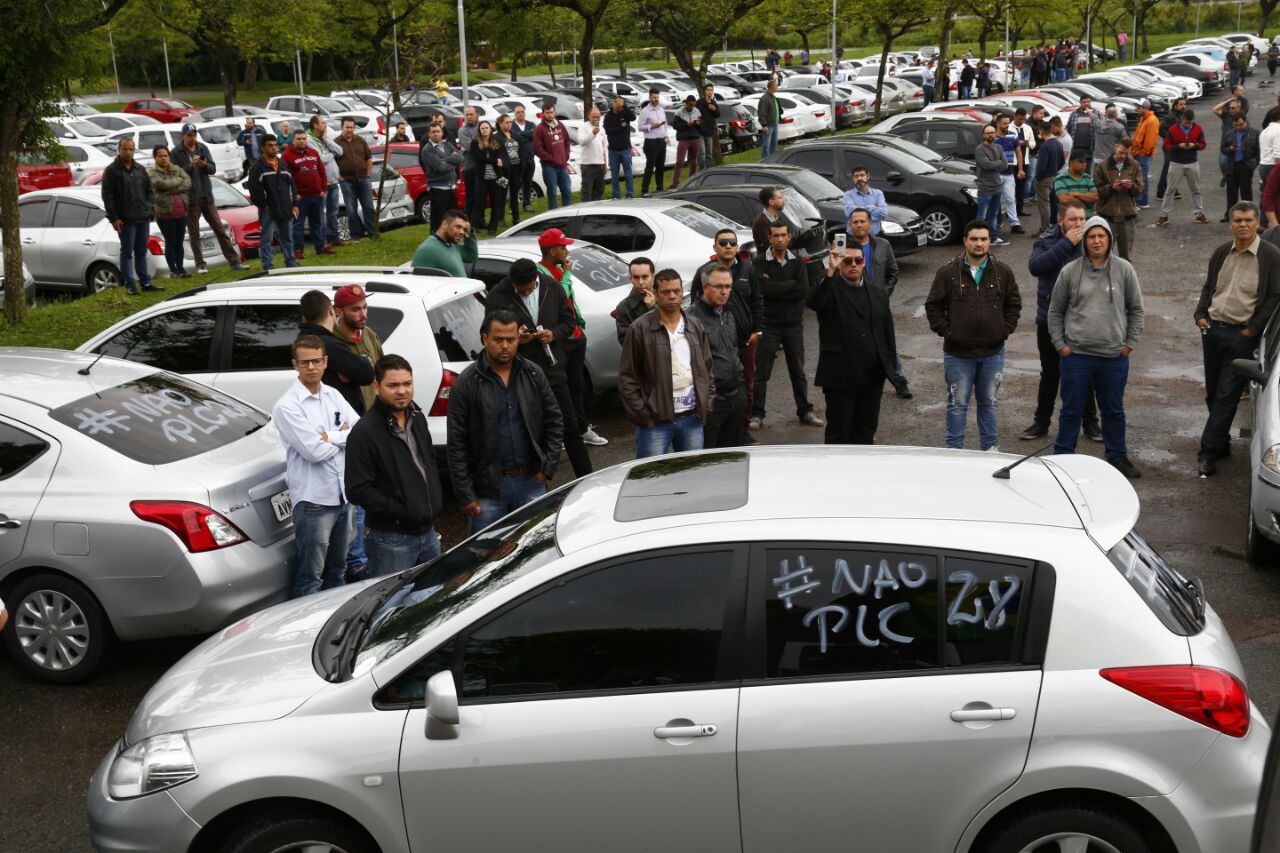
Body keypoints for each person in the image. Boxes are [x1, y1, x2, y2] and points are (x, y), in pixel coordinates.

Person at [449, 310, 564, 534]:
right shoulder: (465, 384)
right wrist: (466, 494)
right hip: (489, 491)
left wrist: (546, 469)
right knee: (486, 559)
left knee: (536, 551)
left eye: (511, 340)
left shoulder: (533, 373)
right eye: (498, 339)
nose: (505, 346)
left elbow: (555, 420)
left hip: (531, 482)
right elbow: (457, 444)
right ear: (485, 339)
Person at [1048, 216, 1145, 479]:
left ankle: (1117, 456)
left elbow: (1136, 309)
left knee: (1113, 410)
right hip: (1076, 356)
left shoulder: (1124, 269)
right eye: (1092, 236)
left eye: (1102, 236)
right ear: (1085, 240)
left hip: (1113, 357)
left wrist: (1129, 345)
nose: (1097, 240)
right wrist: (1061, 345)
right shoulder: (1069, 271)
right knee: (1071, 410)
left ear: (1109, 239)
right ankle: (1063, 458)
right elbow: (1055, 311)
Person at [485, 257, 595, 477]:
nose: (525, 293)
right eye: (520, 290)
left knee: (569, 427)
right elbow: (487, 333)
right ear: (512, 282)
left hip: (553, 369)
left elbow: (568, 322)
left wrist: (553, 334)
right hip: (519, 373)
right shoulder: (498, 295)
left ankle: (586, 478)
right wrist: (516, 338)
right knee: (531, 430)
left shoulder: (551, 286)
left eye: (528, 289)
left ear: (536, 278)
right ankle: (537, 483)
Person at [1195, 202, 1280, 477]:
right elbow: (1210, 286)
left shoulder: (1270, 256)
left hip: (1241, 337)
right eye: (1238, 221)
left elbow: (1274, 297)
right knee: (1212, 393)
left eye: (1248, 220)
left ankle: (1207, 453)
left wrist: (1251, 330)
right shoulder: (1222, 252)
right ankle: (1220, 443)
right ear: (1231, 224)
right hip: (1213, 331)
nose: (1243, 225)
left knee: (1226, 396)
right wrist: (1200, 315)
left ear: (1258, 224)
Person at [925, 219, 1022, 452]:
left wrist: (1004, 330)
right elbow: (933, 306)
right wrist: (949, 332)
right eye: (974, 239)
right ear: (965, 241)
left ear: (990, 242)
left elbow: (1014, 304)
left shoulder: (1003, 272)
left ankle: (990, 450)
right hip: (958, 354)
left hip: (993, 353)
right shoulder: (947, 273)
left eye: (984, 239)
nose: (979, 243)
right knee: (957, 404)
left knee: (988, 403)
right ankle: (954, 451)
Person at [273, 334, 359, 596]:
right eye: (305, 362)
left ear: (326, 362)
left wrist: (330, 436)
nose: (311, 367)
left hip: (343, 495)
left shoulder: (333, 395)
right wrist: (343, 438)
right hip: (314, 502)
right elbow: (314, 451)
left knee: (338, 569)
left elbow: (360, 433)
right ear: (294, 364)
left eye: (316, 361)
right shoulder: (287, 407)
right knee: (312, 576)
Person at [344, 354, 445, 575]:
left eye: (407, 384)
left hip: (428, 531)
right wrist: (401, 511)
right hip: (391, 539)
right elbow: (356, 489)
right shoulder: (364, 433)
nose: (402, 391)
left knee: (433, 599)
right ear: (377, 387)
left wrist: (432, 500)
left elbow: (429, 461)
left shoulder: (417, 417)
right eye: (393, 385)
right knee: (392, 605)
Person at [1023, 200, 1101, 442]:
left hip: (1081, 322)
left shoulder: (1091, 243)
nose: (1079, 224)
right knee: (1050, 375)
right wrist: (1067, 243)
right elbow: (1036, 267)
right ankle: (1041, 423)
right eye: (1073, 219)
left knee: (1084, 374)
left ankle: (1091, 424)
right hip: (1049, 321)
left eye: (1081, 219)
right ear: (1061, 222)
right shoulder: (1046, 241)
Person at [808, 240, 897, 445]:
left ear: (864, 262)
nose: (853, 265)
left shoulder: (876, 292)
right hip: (841, 376)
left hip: (872, 377)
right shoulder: (830, 288)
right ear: (839, 262)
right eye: (847, 261)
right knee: (840, 432)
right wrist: (829, 270)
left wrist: (890, 368)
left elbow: (887, 332)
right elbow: (814, 301)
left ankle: (863, 474)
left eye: (858, 260)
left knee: (866, 430)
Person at [618, 269, 715, 458]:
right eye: (665, 292)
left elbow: (707, 368)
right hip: (655, 422)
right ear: (655, 294)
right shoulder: (638, 329)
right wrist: (643, 417)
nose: (672, 296)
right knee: (651, 478)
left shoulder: (695, 325)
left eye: (676, 291)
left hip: (692, 418)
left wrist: (706, 404)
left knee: (691, 475)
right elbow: (627, 378)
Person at [693, 230, 765, 443]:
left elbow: (757, 299)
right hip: (714, 390)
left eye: (732, 242)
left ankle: (743, 430)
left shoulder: (747, 269)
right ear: (715, 246)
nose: (728, 245)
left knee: (746, 386)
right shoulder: (703, 274)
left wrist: (758, 329)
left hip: (744, 342)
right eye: (723, 242)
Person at [536, 228, 605, 447]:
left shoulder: (558, 268)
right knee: (561, 389)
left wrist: (579, 324)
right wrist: (567, 275)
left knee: (578, 387)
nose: (566, 250)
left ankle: (581, 429)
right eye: (563, 246)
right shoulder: (541, 273)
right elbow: (560, 296)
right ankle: (565, 433)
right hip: (559, 339)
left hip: (575, 335)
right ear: (552, 250)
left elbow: (570, 301)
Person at [752, 220, 824, 430]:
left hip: (794, 325)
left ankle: (805, 411)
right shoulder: (759, 262)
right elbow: (763, 290)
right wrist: (788, 285)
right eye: (776, 236)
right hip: (769, 325)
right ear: (770, 238)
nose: (780, 239)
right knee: (762, 373)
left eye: (784, 235)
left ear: (789, 237)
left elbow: (803, 290)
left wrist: (776, 287)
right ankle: (757, 414)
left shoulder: (798, 262)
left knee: (798, 371)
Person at [847, 208, 909, 398]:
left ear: (870, 224)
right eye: (855, 222)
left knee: (887, 344)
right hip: (854, 307)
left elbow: (893, 272)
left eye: (862, 221)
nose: (859, 225)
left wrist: (883, 295)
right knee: (855, 345)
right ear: (850, 226)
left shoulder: (883, 245)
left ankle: (899, 381)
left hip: (879, 306)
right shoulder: (845, 247)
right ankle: (857, 383)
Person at [171, 123, 244, 273]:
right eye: (189, 135)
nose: (193, 138)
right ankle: (200, 264)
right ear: (183, 136)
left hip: (206, 196)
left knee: (219, 229)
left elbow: (213, 168)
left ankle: (234, 262)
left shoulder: (202, 147)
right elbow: (176, 174)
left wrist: (204, 164)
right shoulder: (176, 152)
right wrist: (191, 165)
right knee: (194, 233)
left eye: (194, 134)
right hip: (191, 198)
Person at [689, 266, 747, 449]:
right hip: (711, 402)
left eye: (728, 286)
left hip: (736, 396)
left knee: (733, 455)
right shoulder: (691, 319)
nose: (725, 292)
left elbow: (734, 349)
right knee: (709, 460)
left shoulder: (728, 313)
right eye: (719, 286)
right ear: (705, 287)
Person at [101, 138, 159, 295]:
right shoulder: (112, 171)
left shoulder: (140, 169)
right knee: (127, 253)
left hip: (143, 217)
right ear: (119, 150)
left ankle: (145, 282)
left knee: (141, 251)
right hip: (125, 220)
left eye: (131, 149)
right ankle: (130, 285)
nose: (128, 152)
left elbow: (149, 191)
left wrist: (149, 208)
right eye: (125, 149)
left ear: (134, 150)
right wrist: (113, 218)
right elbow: (108, 196)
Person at [245, 136, 297, 272]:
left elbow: (292, 185)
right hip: (268, 209)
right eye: (270, 145)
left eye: (275, 145)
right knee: (266, 239)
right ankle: (268, 265)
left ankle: (290, 262)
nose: (274, 147)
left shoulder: (284, 164)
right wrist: (265, 206)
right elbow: (254, 191)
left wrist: (294, 204)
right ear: (263, 148)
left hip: (285, 207)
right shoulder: (257, 168)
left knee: (288, 237)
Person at [283, 129, 332, 261]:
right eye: (299, 139)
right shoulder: (287, 156)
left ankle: (320, 247)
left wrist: (323, 189)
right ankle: (298, 250)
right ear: (293, 140)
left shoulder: (313, 152)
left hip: (317, 195)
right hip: (301, 197)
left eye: (304, 138)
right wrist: (295, 194)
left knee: (317, 223)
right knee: (298, 225)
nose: (302, 141)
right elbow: (286, 178)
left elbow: (321, 172)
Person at [1093, 138, 1143, 261]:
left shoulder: (1134, 165)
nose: (1123, 156)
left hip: (1128, 217)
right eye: (1121, 152)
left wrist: (1132, 186)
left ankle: (1124, 280)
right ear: (1116, 147)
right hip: (1107, 217)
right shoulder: (1102, 166)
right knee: (1103, 256)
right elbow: (1096, 192)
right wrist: (1111, 188)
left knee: (1126, 258)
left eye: (1127, 153)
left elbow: (1140, 189)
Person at [1157, 109, 1209, 227]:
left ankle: (1199, 214)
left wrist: (1194, 145)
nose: (1188, 125)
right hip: (1176, 163)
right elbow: (1166, 146)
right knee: (1170, 190)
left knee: (1196, 190)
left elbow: (1203, 144)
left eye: (1190, 123)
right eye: (1186, 122)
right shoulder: (1172, 129)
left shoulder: (1198, 128)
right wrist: (1178, 146)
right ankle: (1163, 215)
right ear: (1182, 119)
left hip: (1192, 162)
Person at [148, 144, 192, 279]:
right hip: (165, 213)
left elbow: (188, 182)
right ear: (155, 157)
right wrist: (178, 182)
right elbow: (161, 185)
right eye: (160, 156)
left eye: (165, 156)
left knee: (179, 241)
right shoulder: (153, 173)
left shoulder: (176, 169)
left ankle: (181, 269)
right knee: (171, 241)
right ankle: (173, 270)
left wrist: (172, 189)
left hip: (182, 212)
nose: (163, 158)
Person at [336, 118, 377, 241]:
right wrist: (340, 178)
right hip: (346, 181)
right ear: (342, 127)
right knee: (351, 209)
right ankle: (356, 235)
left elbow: (368, 158)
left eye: (351, 127)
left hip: (363, 179)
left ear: (354, 128)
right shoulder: (336, 143)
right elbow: (332, 163)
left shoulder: (360, 141)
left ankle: (372, 233)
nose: (349, 130)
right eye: (347, 127)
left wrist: (368, 175)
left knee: (369, 207)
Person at [305, 116, 344, 247]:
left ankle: (334, 238)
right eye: (323, 123)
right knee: (320, 214)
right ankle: (322, 241)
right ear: (315, 125)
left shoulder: (324, 139)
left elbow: (340, 151)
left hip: (333, 181)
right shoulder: (309, 140)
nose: (325, 125)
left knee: (333, 212)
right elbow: (320, 159)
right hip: (322, 183)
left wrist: (327, 141)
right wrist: (332, 153)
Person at [418, 122, 464, 232]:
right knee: (438, 221)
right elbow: (441, 167)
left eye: (438, 131)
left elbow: (461, 158)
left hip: (451, 187)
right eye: (433, 132)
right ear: (429, 134)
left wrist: (445, 159)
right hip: (438, 189)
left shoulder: (448, 145)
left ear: (442, 132)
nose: (436, 134)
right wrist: (452, 161)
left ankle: (449, 241)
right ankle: (435, 243)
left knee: (452, 220)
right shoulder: (427, 150)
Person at [409, 209, 478, 276]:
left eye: (464, 229)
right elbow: (418, 283)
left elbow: (471, 256)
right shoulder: (427, 250)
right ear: (444, 224)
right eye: (458, 227)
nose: (462, 232)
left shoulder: (452, 245)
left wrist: (470, 231)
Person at [469, 120, 506, 233]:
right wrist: (494, 161)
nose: (485, 130)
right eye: (482, 128)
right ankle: (473, 227)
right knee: (479, 204)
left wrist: (496, 162)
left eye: (487, 128)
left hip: (495, 178)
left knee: (495, 203)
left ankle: (492, 227)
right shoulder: (475, 143)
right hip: (482, 179)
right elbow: (479, 159)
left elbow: (500, 158)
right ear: (479, 130)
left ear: (490, 129)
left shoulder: (495, 142)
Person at [534, 102, 572, 209]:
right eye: (547, 112)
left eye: (552, 112)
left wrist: (566, 155)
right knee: (552, 192)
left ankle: (567, 213)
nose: (550, 115)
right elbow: (537, 149)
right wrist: (552, 159)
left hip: (562, 165)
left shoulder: (560, 125)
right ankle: (553, 216)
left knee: (567, 190)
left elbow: (567, 142)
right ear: (543, 113)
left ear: (554, 112)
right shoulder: (539, 129)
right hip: (549, 167)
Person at [1223, 113, 1261, 221]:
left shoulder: (1254, 133)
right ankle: (1229, 215)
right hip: (1232, 165)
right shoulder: (1229, 133)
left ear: (1246, 121)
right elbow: (1223, 149)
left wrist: (1254, 164)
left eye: (1241, 124)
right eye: (1236, 125)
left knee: (1246, 191)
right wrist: (1229, 149)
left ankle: (1249, 214)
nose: (1239, 127)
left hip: (1246, 165)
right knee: (1231, 191)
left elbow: (1259, 150)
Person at [975, 124, 1008, 246]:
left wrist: (995, 163)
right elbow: (985, 165)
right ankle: (978, 238)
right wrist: (998, 162)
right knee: (981, 215)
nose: (991, 135)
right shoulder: (979, 149)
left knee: (993, 214)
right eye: (988, 133)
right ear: (984, 135)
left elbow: (1005, 165)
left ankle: (993, 238)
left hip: (997, 187)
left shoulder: (999, 147)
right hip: (985, 187)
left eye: (992, 132)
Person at [994, 113, 1026, 235]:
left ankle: (1015, 224)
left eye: (1008, 123)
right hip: (996, 175)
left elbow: (1018, 153)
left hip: (1009, 174)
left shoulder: (1013, 136)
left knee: (1010, 199)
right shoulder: (993, 138)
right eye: (1005, 123)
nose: (1008, 125)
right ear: (998, 124)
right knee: (997, 201)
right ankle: (997, 225)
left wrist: (1021, 169)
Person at [615, 257, 656, 343]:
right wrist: (652, 311)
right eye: (636, 277)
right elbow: (626, 342)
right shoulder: (623, 308)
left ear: (653, 277)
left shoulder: (665, 296)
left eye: (645, 277)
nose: (640, 282)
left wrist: (654, 308)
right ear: (631, 279)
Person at [1034, 121, 1066, 234]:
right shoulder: (1058, 143)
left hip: (1044, 179)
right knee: (1053, 202)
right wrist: (1055, 169)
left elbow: (1042, 166)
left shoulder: (1045, 146)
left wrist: (1038, 177)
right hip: (1054, 176)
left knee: (1044, 204)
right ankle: (1051, 225)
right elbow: (1062, 161)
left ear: (1042, 131)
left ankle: (1045, 228)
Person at [603, 95, 637, 199]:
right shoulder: (608, 116)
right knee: (614, 175)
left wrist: (625, 106)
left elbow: (633, 117)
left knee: (628, 174)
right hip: (613, 150)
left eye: (620, 103)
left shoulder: (625, 113)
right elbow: (608, 131)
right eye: (616, 103)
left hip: (625, 148)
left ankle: (630, 194)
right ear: (613, 103)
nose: (618, 105)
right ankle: (616, 195)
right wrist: (620, 128)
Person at [1155, 97, 1189, 201]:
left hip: (1178, 147)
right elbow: (1160, 129)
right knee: (1169, 168)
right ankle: (1161, 192)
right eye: (1181, 104)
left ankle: (1171, 190)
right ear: (1175, 106)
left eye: (1184, 104)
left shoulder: (1181, 116)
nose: (1183, 106)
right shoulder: (1170, 116)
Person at [840, 165, 888, 235]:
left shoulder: (878, 193)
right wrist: (872, 208)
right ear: (853, 179)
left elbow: (883, 213)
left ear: (867, 176)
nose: (859, 178)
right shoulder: (848, 194)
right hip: (854, 237)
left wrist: (856, 210)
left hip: (874, 236)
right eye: (856, 176)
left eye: (862, 175)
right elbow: (848, 212)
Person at [495, 114, 524, 226]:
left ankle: (516, 218)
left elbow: (521, 150)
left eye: (510, 122)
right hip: (503, 171)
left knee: (514, 193)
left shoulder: (516, 135)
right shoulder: (496, 137)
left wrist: (522, 165)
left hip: (516, 169)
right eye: (506, 122)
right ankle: (500, 218)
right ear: (500, 123)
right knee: (501, 193)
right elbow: (496, 153)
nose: (509, 124)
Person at [639, 89, 669, 194]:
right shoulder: (645, 111)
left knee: (660, 166)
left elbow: (665, 124)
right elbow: (640, 127)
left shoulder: (661, 109)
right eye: (654, 97)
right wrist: (652, 126)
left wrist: (666, 136)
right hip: (651, 142)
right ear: (650, 97)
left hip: (661, 141)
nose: (656, 99)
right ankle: (645, 189)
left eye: (657, 97)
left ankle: (660, 188)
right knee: (650, 167)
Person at [1131, 100, 1159, 210]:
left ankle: (1140, 201)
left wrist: (1142, 153)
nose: (1137, 109)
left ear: (1144, 108)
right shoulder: (1144, 119)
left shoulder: (1151, 120)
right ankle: (1142, 201)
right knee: (1141, 177)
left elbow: (1150, 142)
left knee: (1141, 178)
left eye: (1138, 107)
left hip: (1143, 155)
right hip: (1140, 154)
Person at [1055, 149, 1099, 218]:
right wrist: (1086, 197)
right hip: (1069, 219)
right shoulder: (1061, 178)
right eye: (1081, 162)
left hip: (1087, 219)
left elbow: (1095, 197)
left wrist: (1075, 194)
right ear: (1072, 163)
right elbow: (1064, 199)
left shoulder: (1088, 178)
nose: (1084, 165)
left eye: (1085, 162)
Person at [671, 95, 702, 187]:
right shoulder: (679, 112)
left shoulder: (697, 112)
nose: (691, 107)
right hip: (683, 139)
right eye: (689, 105)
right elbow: (675, 126)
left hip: (695, 138)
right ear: (686, 103)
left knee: (694, 162)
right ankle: (675, 183)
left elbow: (700, 126)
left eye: (693, 105)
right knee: (680, 161)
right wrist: (687, 125)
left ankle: (691, 182)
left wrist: (698, 124)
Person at [511, 105, 538, 212]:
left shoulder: (531, 124)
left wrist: (520, 135)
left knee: (528, 183)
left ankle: (526, 204)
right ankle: (513, 206)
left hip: (530, 159)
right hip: (517, 160)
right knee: (516, 183)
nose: (520, 113)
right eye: (518, 112)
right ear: (515, 114)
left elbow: (534, 135)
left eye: (522, 111)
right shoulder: (511, 125)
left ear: (525, 113)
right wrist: (527, 135)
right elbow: (514, 137)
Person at [578, 107, 607, 203]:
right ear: (588, 116)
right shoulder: (583, 127)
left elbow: (604, 147)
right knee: (587, 191)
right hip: (588, 165)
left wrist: (606, 163)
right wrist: (592, 134)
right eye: (594, 116)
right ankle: (585, 211)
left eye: (598, 117)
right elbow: (582, 142)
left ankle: (597, 211)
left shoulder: (601, 129)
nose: (596, 119)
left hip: (599, 165)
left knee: (599, 191)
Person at [457, 105, 480, 219]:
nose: (469, 117)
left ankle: (480, 220)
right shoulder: (462, 131)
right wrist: (482, 144)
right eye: (467, 115)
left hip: (481, 166)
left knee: (481, 195)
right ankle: (470, 221)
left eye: (471, 114)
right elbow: (471, 148)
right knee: (471, 196)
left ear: (476, 114)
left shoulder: (481, 127)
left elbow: (490, 142)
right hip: (469, 167)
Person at [1066, 96, 1103, 166]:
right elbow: (1068, 128)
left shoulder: (1097, 113)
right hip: (1076, 147)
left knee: (1088, 168)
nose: (1086, 104)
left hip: (1091, 147)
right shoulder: (1074, 114)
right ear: (1080, 103)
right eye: (1084, 102)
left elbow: (1102, 127)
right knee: (1076, 166)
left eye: (1088, 102)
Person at [696, 83, 720, 172]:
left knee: (709, 154)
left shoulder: (713, 102)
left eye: (711, 90)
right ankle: (701, 171)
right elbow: (694, 113)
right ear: (705, 91)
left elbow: (718, 115)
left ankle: (709, 172)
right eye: (708, 90)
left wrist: (714, 109)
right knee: (702, 153)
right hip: (700, 131)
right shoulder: (700, 102)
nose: (710, 92)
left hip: (709, 131)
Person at [1259, 106, 1280, 197]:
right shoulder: (1278, 131)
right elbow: (1278, 155)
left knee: (1266, 194)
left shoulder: (1265, 131)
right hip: (1273, 166)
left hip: (1264, 165)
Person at [758, 79, 781, 159]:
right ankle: (764, 159)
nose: (777, 87)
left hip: (775, 123)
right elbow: (761, 112)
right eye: (776, 86)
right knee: (766, 144)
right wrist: (764, 125)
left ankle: (773, 160)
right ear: (772, 87)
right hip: (769, 125)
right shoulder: (764, 98)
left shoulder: (773, 97)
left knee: (774, 144)